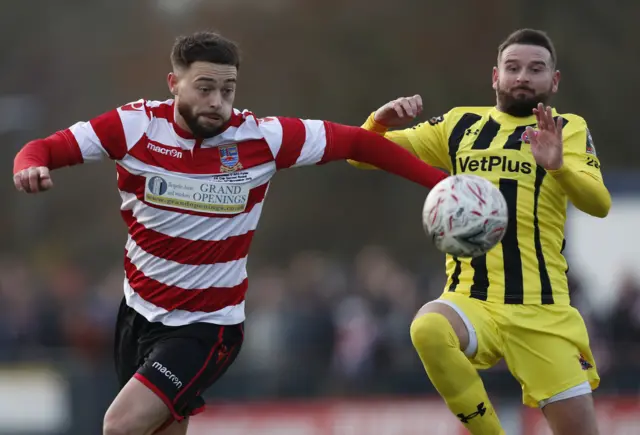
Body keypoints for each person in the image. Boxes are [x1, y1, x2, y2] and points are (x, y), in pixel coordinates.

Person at [12, 31, 448, 435]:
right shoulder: (132, 127)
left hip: (207, 327)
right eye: (204, 88)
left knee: (120, 424)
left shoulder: (262, 138)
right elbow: (45, 148)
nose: (217, 101)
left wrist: (440, 183)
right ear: (173, 83)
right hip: (139, 314)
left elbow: (357, 143)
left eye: (227, 90)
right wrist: (28, 166)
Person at [349, 28, 610, 435]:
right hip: (472, 301)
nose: (523, 76)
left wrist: (559, 167)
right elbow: (362, 155)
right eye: (513, 67)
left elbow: (599, 204)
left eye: (536, 69)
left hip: (543, 310)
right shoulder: (459, 124)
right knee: (427, 327)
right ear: (495, 76)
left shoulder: (568, 128)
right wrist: (377, 122)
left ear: (554, 81)